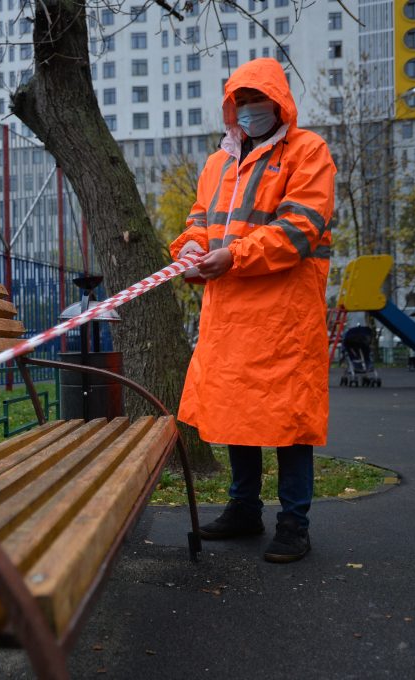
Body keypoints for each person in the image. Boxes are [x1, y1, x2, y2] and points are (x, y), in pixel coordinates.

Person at [169, 58, 336, 563]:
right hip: (231, 311)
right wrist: (189, 250)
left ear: (278, 102)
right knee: (237, 409)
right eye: (239, 101)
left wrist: (232, 256)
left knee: (287, 416)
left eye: (255, 99)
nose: (247, 109)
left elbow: (300, 229)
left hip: (283, 313)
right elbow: (201, 220)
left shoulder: (308, 152)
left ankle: (294, 523)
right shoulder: (217, 164)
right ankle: (244, 509)